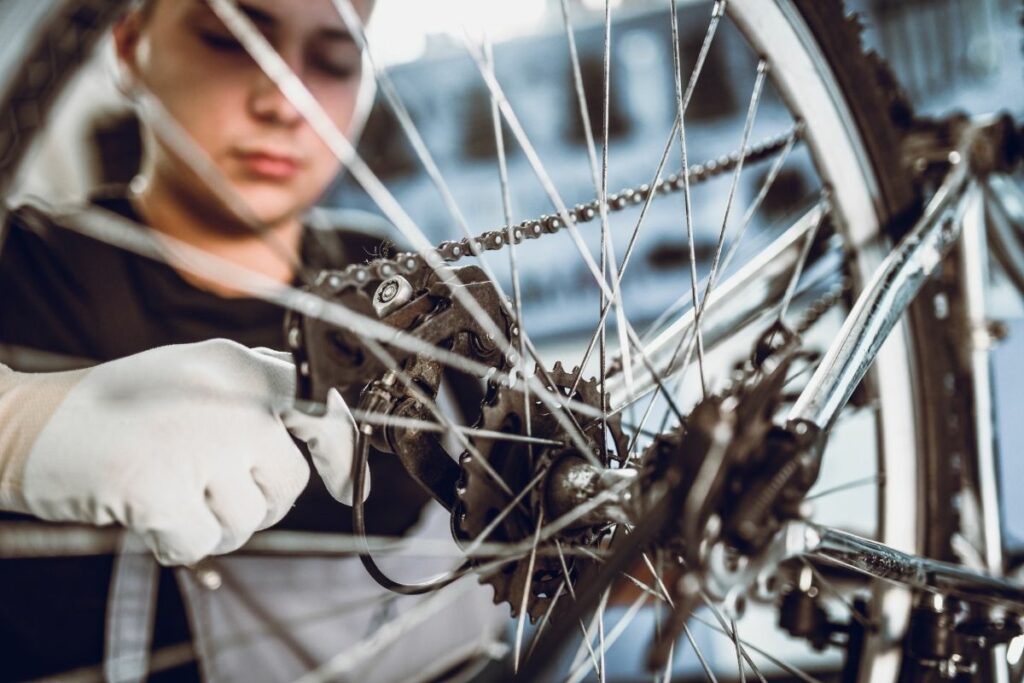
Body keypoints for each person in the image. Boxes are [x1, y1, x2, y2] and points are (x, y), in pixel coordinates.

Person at [0, 1, 502, 680]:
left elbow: (538, 538)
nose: (284, 100)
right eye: (230, 42)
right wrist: (23, 426)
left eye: (332, 59)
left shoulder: (408, 283)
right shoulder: (27, 271)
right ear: (126, 45)